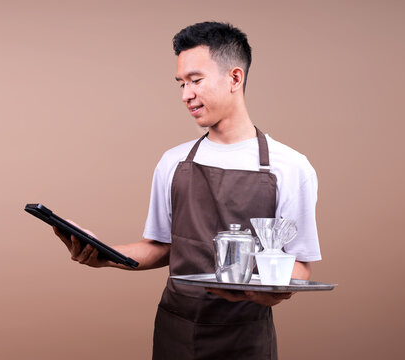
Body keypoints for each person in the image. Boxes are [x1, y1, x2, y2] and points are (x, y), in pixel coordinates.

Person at [53, 21, 321, 360]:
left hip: (244, 336)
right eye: (181, 83)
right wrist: (104, 254)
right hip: (176, 329)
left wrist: (264, 293)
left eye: (195, 80)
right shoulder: (173, 162)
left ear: (235, 78)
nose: (185, 95)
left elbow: (300, 267)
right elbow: (161, 247)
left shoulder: (290, 167)